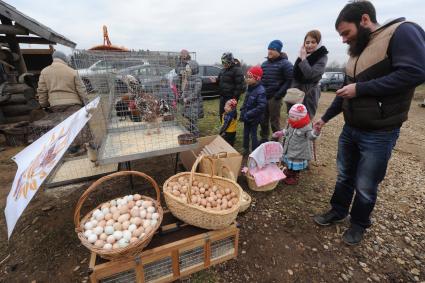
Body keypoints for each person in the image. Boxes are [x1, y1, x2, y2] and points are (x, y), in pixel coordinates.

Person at [313, 1, 425, 245]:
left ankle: (359, 224)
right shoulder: (356, 51)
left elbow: (415, 72)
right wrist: (324, 118)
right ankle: (338, 211)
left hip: (379, 132)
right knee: (344, 175)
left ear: (364, 20)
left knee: (366, 183)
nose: (343, 40)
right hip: (351, 128)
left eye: (346, 33)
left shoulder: (402, 31)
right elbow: (345, 92)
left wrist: (361, 88)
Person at [37, 50, 89, 152]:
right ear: (64, 59)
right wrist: (86, 103)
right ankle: (81, 148)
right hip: (73, 104)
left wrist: (43, 104)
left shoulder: (45, 72)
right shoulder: (72, 71)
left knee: (61, 126)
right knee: (77, 125)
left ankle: (66, 149)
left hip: (55, 105)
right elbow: (81, 89)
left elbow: (42, 90)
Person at [273, 104, 320, 185]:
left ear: (300, 118)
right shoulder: (292, 123)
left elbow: (311, 137)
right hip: (290, 148)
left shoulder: (306, 127)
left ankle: (294, 177)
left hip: (299, 152)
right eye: (290, 116)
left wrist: (316, 131)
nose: (290, 118)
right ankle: (289, 172)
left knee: (295, 166)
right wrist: (281, 133)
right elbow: (288, 131)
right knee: (289, 163)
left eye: (292, 117)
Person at [260, 40, 293, 143]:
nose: (269, 51)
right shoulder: (264, 64)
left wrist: (279, 94)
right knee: (263, 119)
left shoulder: (286, 64)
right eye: (269, 49)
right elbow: (261, 79)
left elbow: (290, 80)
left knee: (274, 121)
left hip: (275, 98)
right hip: (263, 96)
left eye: (272, 49)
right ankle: (264, 138)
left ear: (278, 51)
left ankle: (275, 140)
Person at [290, 30, 328, 118]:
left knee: (306, 120)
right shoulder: (304, 55)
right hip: (296, 92)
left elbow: (310, 74)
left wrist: (303, 58)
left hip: (310, 93)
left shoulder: (322, 57)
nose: (309, 45)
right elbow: (295, 74)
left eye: (313, 42)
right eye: (307, 42)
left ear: (318, 43)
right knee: (293, 118)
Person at [240, 66, 267, 155]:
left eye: (250, 77)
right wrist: (243, 112)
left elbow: (261, 106)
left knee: (253, 134)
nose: (247, 79)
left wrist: (249, 114)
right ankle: (245, 148)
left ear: (257, 79)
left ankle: (254, 151)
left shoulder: (261, 91)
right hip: (247, 116)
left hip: (254, 118)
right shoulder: (249, 88)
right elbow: (245, 101)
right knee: (245, 133)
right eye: (247, 77)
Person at [217, 52, 245, 118]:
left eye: (226, 62)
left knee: (230, 116)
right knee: (222, 114)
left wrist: (234, 98)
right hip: (223, 96)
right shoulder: (223, 70)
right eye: (223, 62)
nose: (224, 64)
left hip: (231, 98)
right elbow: (220, 80)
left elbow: (239, 86)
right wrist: (216, 80)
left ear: (230, 61)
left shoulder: (237, 70)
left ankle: (231, 128)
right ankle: (224, 127)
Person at [181, 60, 203, 137]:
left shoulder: (198, 79)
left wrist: (187, 99)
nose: (187, 71)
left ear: (193, 69)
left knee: (194, 119)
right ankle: (190, 130)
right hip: (188, 103)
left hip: (194, 103)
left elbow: (196, 93)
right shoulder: (189, 78)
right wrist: (183, 96)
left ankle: (196, 135)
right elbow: (185, 89)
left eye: (188, 69)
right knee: (189, 117)